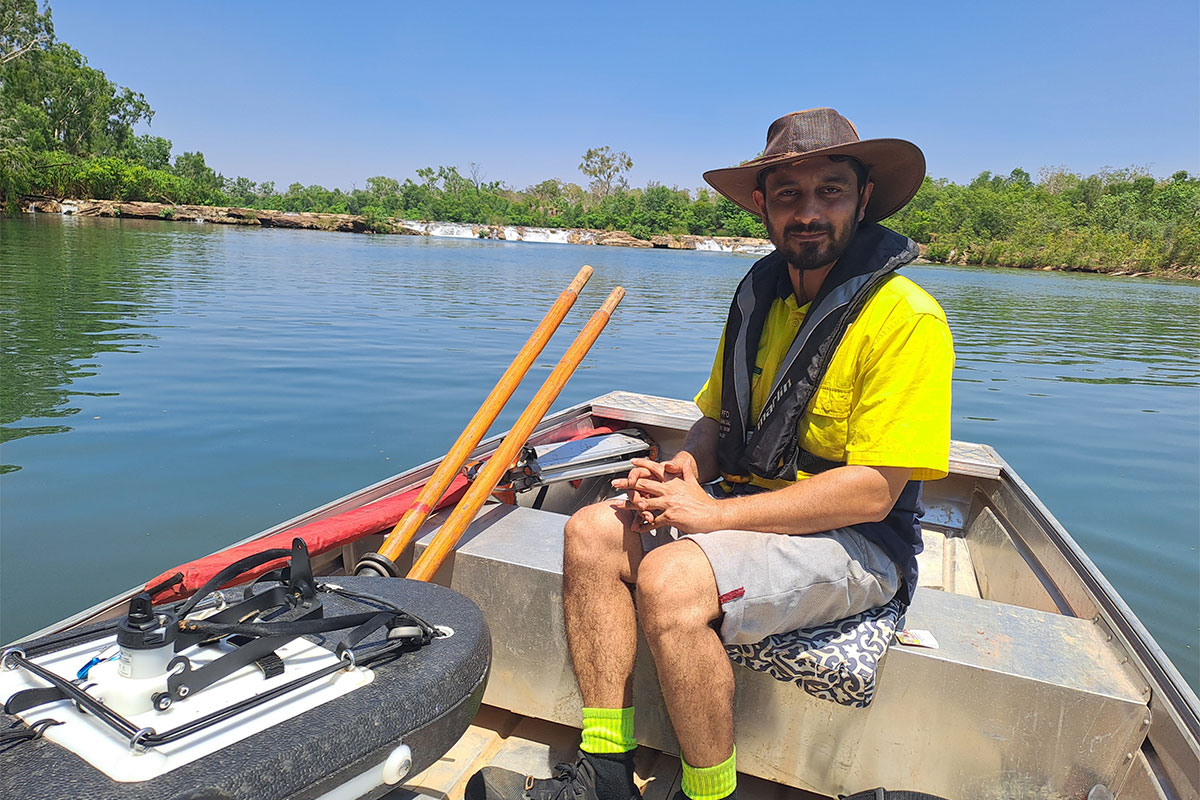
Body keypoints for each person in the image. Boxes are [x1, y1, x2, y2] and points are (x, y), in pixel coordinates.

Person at [467, 108, 955, 800]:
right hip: (747, 508)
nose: (809, 212)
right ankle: (604, 769)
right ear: (762, 205)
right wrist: (687, 468)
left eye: (830, 191)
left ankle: (708, 793)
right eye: (789, 194)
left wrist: (709, 517)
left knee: (670, 579)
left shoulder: (907, 318)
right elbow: (716, 421)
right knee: (591, 532)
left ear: (863, 198)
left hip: (858, 542)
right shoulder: (759, 295)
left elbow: (874, 491)